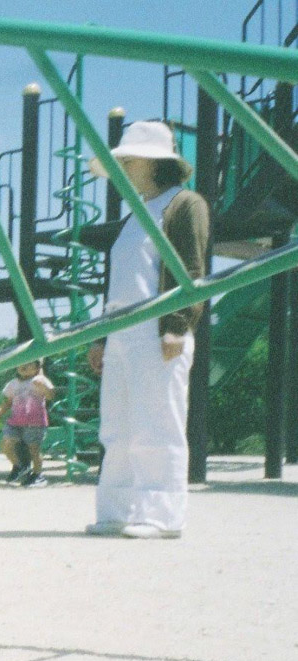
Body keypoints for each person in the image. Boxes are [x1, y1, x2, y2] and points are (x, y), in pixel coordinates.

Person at [84, 120, 210, 539]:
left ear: (155, 163)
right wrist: (102, 337)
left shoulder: (183, 204)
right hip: (122, 330)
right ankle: (116, 510)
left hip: (157, 330)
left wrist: (177, 325)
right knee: (116, 426)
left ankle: (161, 515)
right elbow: (120, 282)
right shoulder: (134, 215)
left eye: (129, 160)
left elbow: (191, 270)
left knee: (158, 425)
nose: (122, 167)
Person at [0, 359, 55, 487]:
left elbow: (51, 395)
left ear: (37, 368)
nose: (24, 365)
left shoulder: (40, 381)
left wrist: (43, 387)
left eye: (28, 363)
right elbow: (8, 402)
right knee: (6, 443)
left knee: (34, 449)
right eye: (21, 363)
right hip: (15, 421)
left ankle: (38, 475)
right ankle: (19, 467)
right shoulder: (13, 384)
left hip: (35, 422)